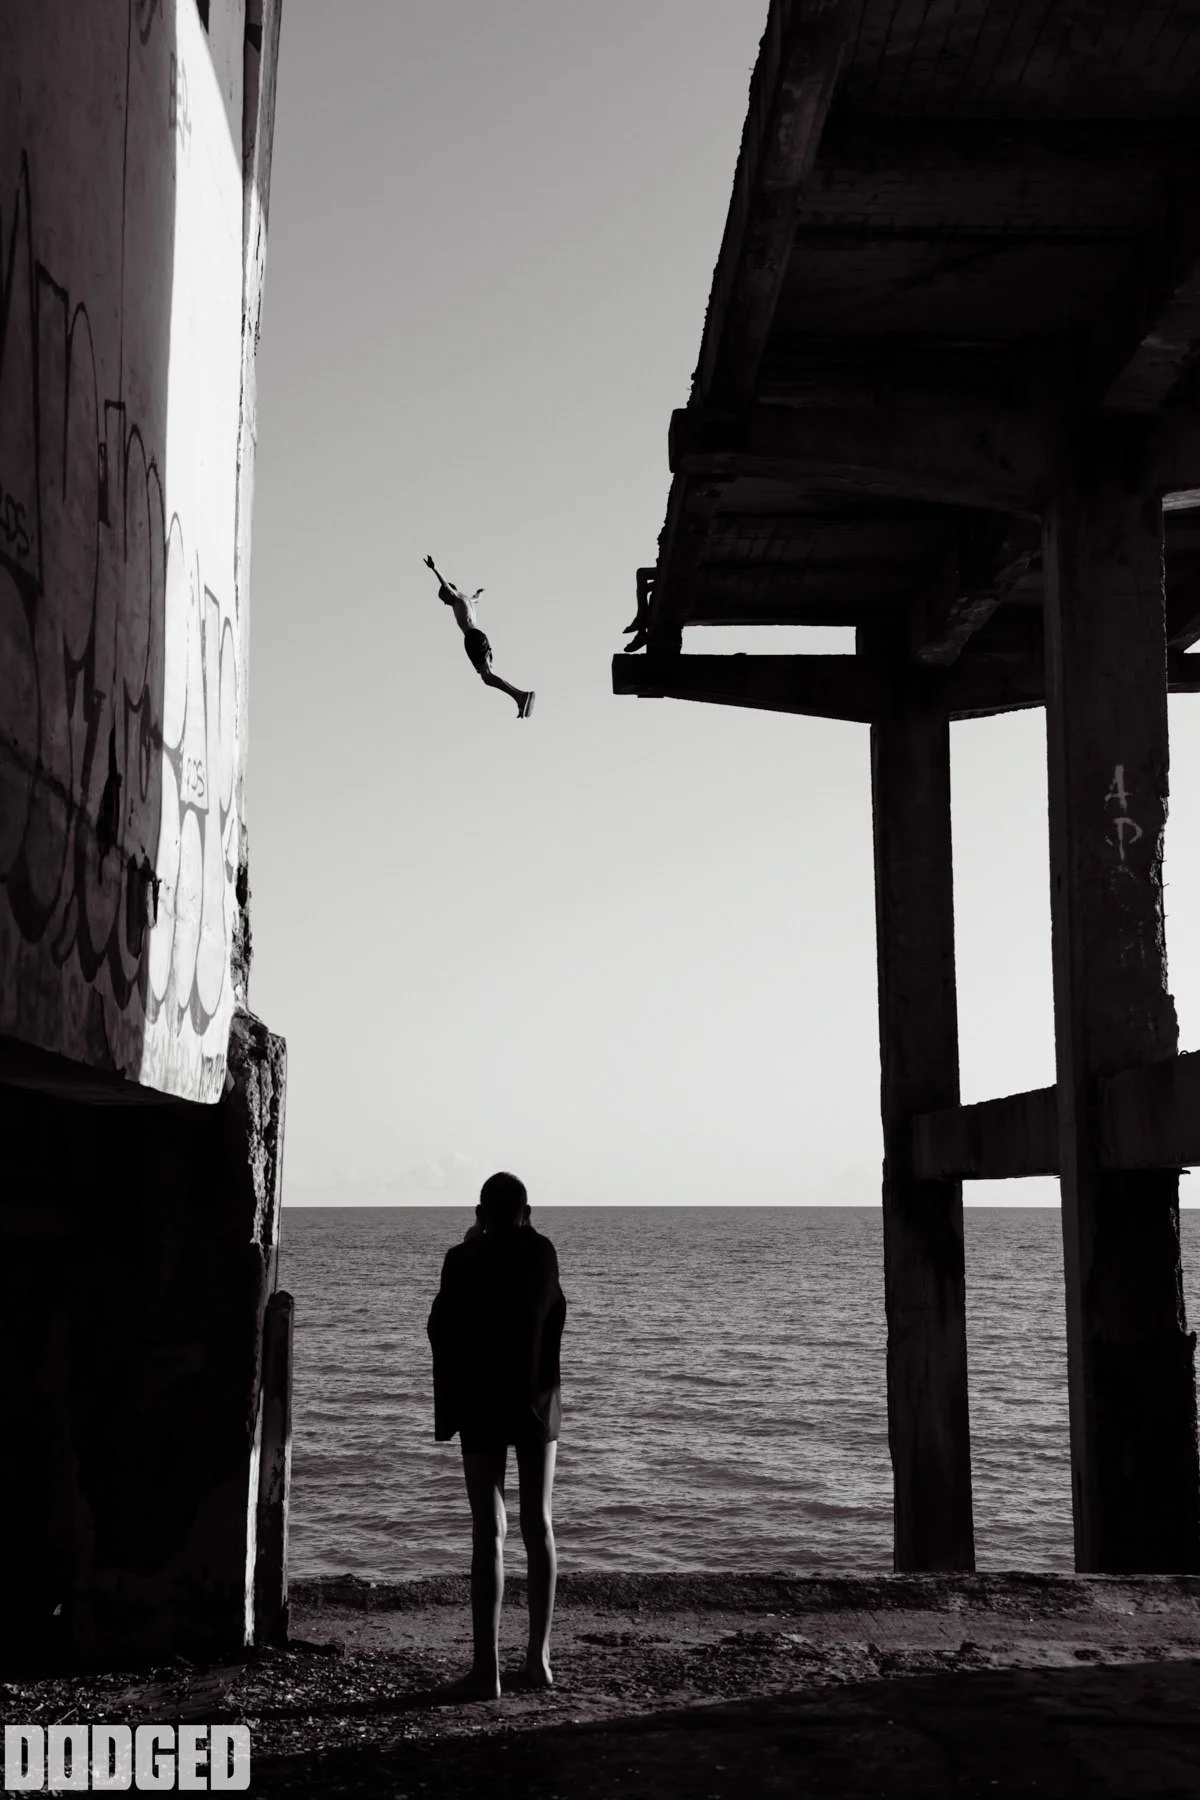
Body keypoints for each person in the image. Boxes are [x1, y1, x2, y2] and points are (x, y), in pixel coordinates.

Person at [427, 1171, 566, 1699]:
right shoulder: (543, 1253)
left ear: (481, 1214)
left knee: (488, 1531)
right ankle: (538, 1660)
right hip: (536, 1402)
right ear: (526, 1213)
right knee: (539, 1524)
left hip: (481, 1402)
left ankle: (487, 1672)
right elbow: (555, 1314)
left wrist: (472, 1244)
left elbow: (439, 1326)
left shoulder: (461, 1259)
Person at [424, 555, 535, 718]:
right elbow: (475, 599)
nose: (444, 603)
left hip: (473, 638)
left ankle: (521, 696)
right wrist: (479, 593)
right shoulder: (466, 600)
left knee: (487, 677)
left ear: (448, 593)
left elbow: (445, 584)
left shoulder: (456, 597)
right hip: (478, 636)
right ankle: (520, 697)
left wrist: (434, 568)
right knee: (487, 677)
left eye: (444, 599)